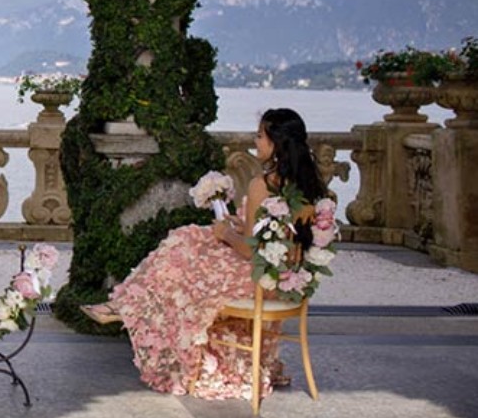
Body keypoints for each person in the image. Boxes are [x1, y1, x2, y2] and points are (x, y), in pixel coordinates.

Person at [82, 108, 330, 400]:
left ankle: (125, 305)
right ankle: (126, 304)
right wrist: (238, 225)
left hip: (258, 280)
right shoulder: (311, 187)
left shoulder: (262, 185)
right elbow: (272, 236)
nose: (255, 142)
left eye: (260, 136)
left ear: (277, 143)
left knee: (183, 252)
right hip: (285, 280)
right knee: (191, 239)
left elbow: (251, 250)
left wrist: (226, 234)